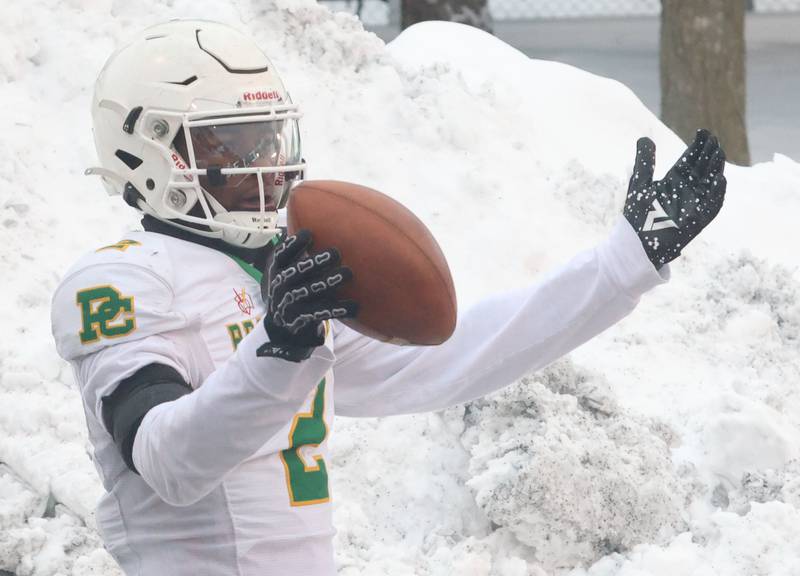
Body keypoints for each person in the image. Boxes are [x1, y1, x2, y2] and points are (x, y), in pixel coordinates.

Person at [51, 19, 727, 576]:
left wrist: (624, 263)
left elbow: (456, 352)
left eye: (270, 139)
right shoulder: (122, 281)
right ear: (150, 155)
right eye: (233, 144)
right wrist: (279, 347)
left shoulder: (275, 277)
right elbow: (170, 464)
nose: (267, 164)